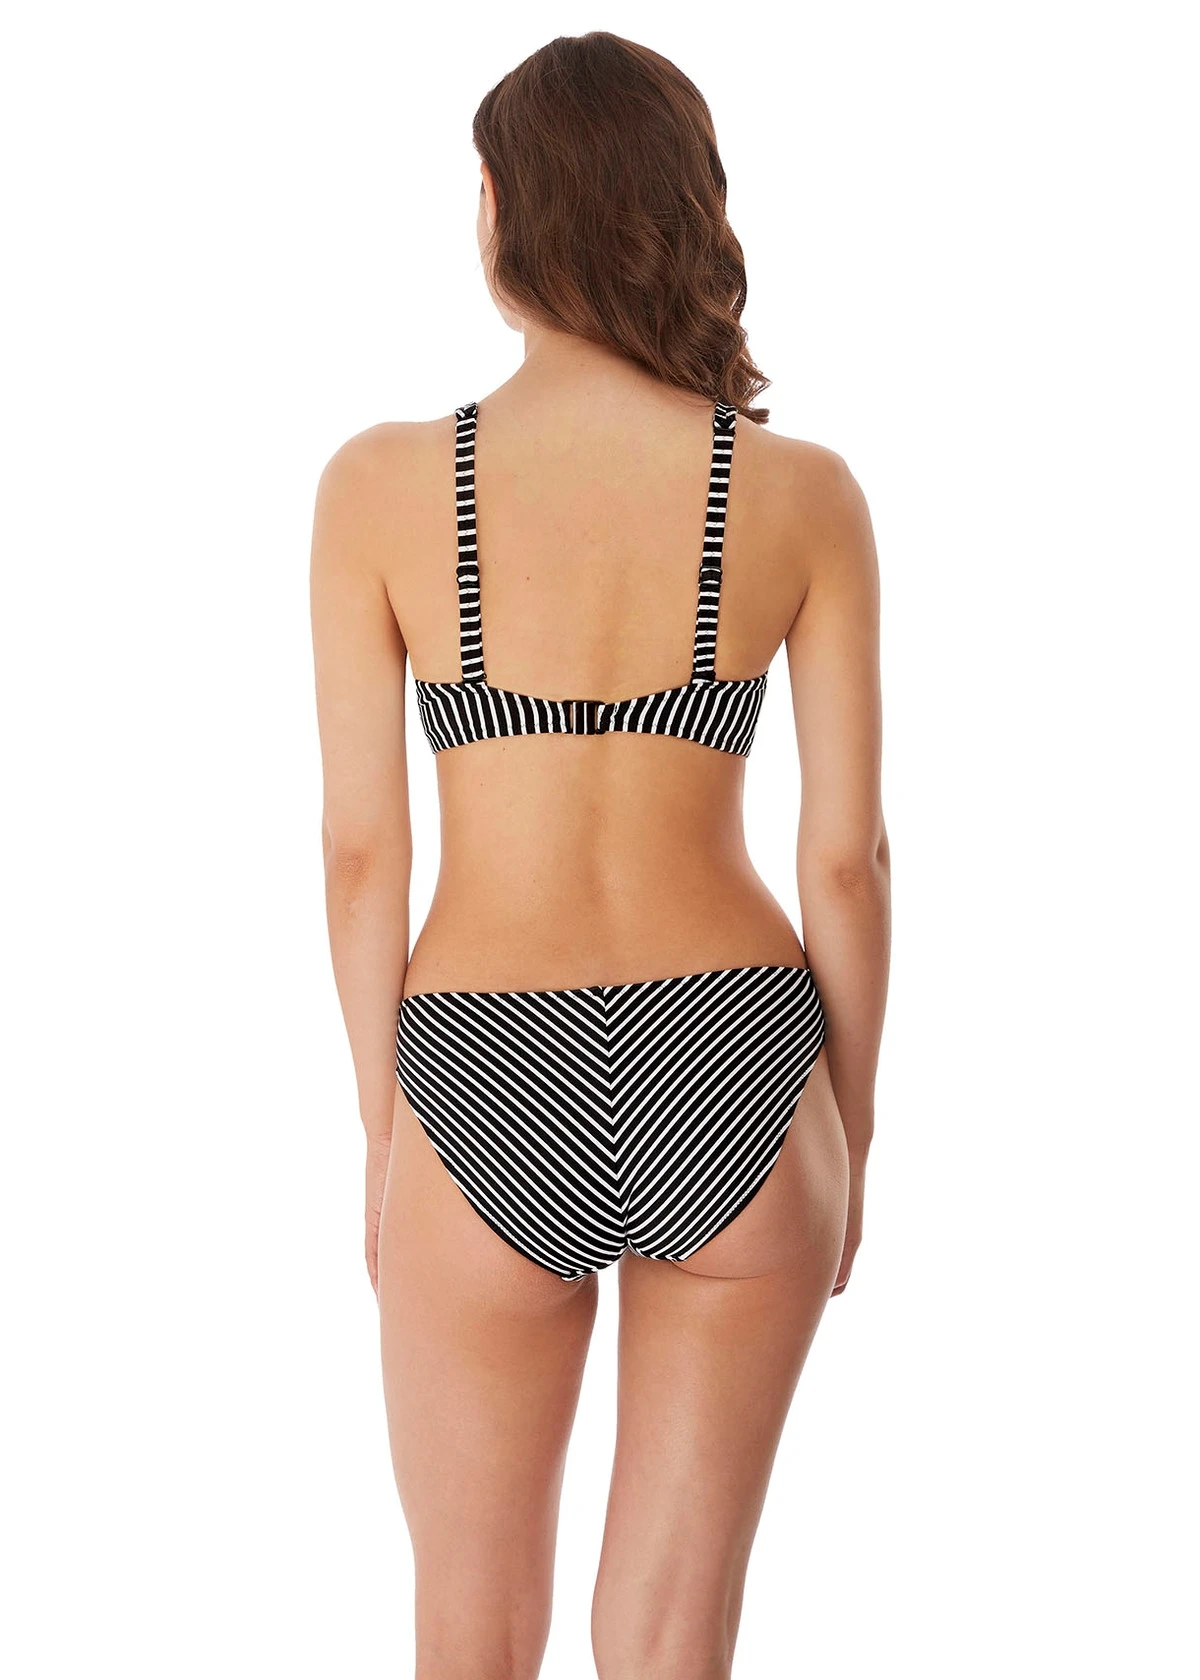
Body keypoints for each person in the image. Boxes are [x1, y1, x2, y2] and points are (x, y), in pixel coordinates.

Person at [310, 30, 889, 1680]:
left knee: (471, 1634)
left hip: (481, 1060)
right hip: (739, 1051)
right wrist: (851, 1130)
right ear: (685, 208)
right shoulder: (799, 492)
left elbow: (362, 850)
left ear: (502, 210)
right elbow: (845, 861)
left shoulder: (381, 487)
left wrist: (386, 1128)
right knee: (671, 1641)